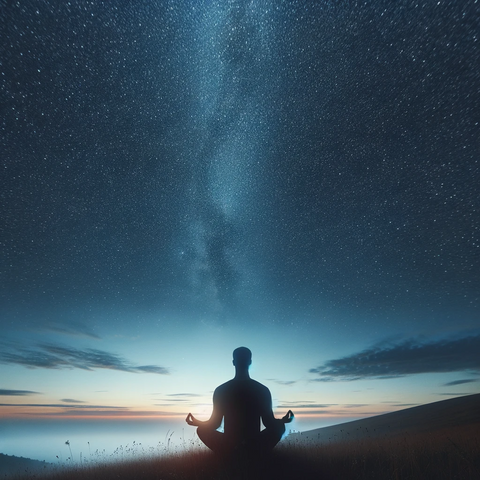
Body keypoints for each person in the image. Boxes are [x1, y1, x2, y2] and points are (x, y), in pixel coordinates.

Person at [186, 347, 294, 456]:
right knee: (279, 427)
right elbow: (269, 423)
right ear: (250, 362)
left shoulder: (221, 390)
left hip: (229, 445)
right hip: (255, 444)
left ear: (233, 362)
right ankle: (254, 456)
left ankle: (229, 456)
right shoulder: (262, 390)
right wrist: (282, 421)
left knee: (201, 430)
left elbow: (215, 423)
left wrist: (198, 423)